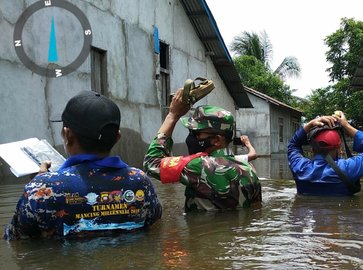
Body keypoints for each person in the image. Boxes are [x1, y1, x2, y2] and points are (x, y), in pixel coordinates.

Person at [4, 91, 162, 240]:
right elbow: (154, 225)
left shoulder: (41, 189)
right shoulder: (141, 182)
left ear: (68, 135)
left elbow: (16, 241)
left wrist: (38, 185)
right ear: (117, 137)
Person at [143, 88, 261, 212]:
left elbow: (151, 163)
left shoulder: (199, 166)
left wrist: (172, 116)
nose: (191, 138)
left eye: (197, 134)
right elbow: (257, 209)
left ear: (217, 140)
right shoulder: (250, 168)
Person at [287, 111, 363, 196]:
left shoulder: (299, 167)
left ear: (312, 149)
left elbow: (292, 145)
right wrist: (346, 126)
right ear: (339, 149)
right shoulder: (348, 168)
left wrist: (310, 124)